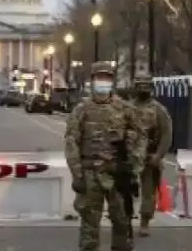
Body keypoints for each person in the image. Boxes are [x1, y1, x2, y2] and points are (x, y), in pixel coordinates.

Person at [65, 61, 144, 251]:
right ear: (92, 80)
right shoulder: (81, 110)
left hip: (117, 175)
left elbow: (141, 137)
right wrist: (77, 175)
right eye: (99, 77)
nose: (103, 81)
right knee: (89, 227)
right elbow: (71, 142)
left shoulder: (125, 109)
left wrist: (134, 166)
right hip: (91, 174)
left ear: (112, 81)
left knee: (122, 223)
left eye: (107, 78)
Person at [130, 72, 172, 237]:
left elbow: (166, 134)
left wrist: (159, 155)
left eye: (146, 85)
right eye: (140, 85)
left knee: (149, 192)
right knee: (125, 190)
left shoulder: (158, 110)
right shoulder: (127, 108)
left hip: (150, 157)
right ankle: (125, 220)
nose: (143, 88)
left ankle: (144, 221)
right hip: (131, 157)